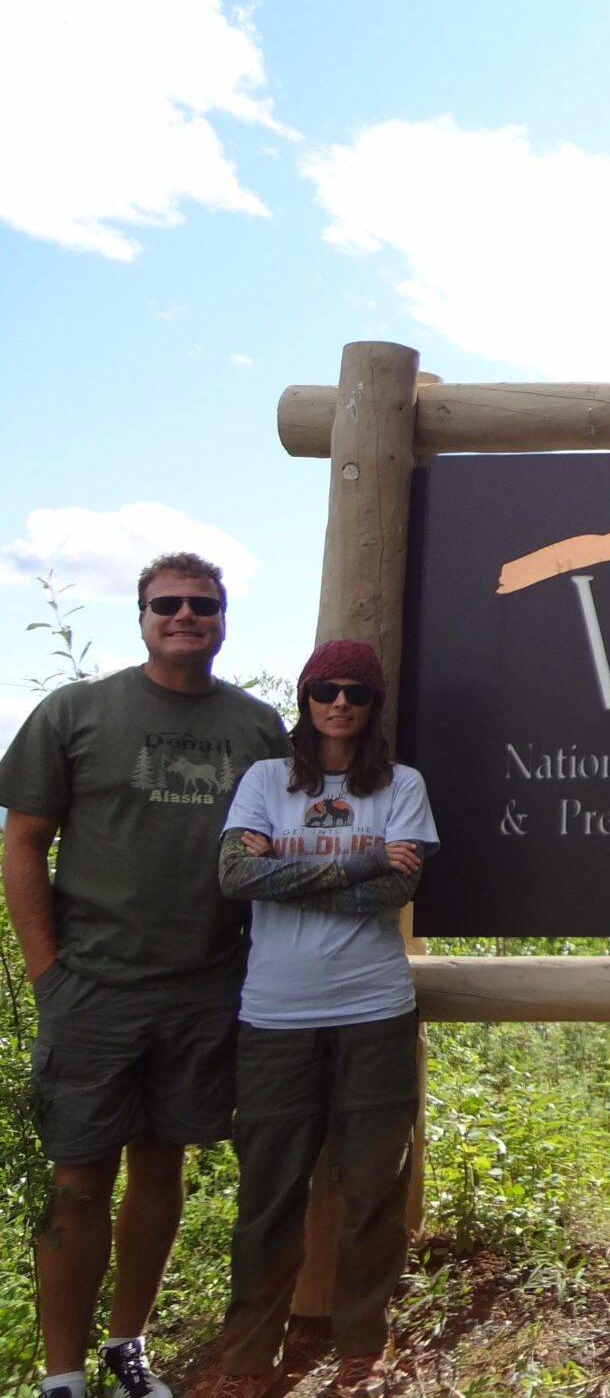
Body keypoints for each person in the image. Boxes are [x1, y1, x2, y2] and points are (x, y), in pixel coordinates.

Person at [0, 554, 288, 1398]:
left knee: (162, 1170)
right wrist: (47, 973)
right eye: (168, 604)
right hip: (93, 987)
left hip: (206, 988)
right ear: (141, 617)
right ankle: (61, 1374)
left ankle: (128, 1346)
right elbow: (24, 840)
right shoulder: (77, 712)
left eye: (203, 603)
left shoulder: (256, 727)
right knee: (78, 1179)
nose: (185, 615)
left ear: (224, 618)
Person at [209, 639, 436, 1398]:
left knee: (372, 1190)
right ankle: (248, 1357)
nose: (340, 703)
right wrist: (362, 861)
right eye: (325, 690)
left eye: (356, 692)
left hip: (373, 1008)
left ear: (373, 706)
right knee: (268, 1192)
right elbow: (235, 875)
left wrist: (285, 871)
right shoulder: (265, 781)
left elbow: (394, 894)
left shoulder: (401, 785)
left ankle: (362, 1345)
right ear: (305, 699)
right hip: (275, 1014)